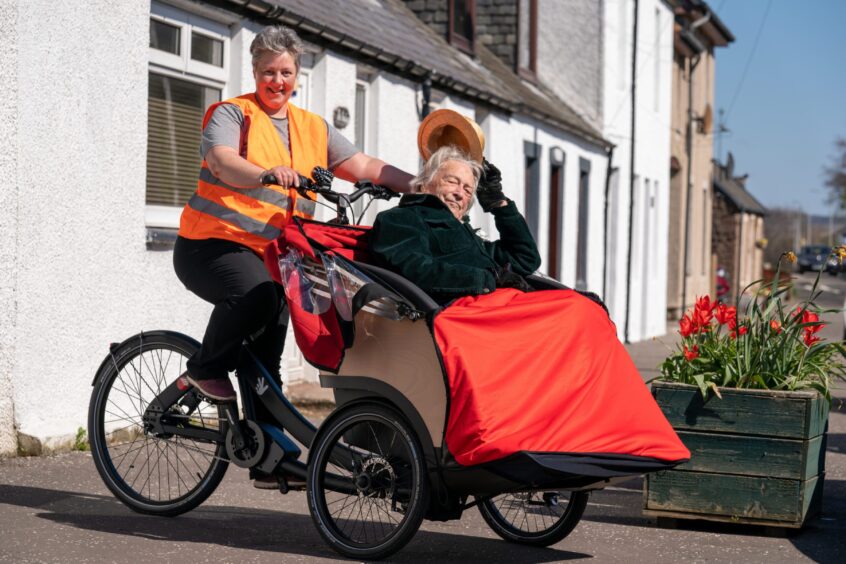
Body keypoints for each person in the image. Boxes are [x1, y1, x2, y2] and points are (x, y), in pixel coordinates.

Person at [174, 25, 413, 406]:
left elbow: (362, 164)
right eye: (269, 72)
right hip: (211, 246)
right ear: (255, 72)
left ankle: (271, 462)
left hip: (275, 255)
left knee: (267, 363)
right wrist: (264, 174)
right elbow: (222, 162)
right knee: (260, 297)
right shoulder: (233, 114)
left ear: (297, 75)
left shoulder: (312, 127)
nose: (277, 81)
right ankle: (204, 370)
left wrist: (416, 184)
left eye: (285, 72)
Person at [370, 146, 540, 304]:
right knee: (564, 307)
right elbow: (415, 270)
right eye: (452, 181)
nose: (460, 193)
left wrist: (498, 202)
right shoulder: (402, 218)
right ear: (424, 183)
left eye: (468, 190)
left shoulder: (466, 234)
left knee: (565, 301)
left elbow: (525, 259)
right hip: (465, 313)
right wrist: (488, 278)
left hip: (499, 305)